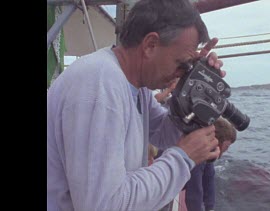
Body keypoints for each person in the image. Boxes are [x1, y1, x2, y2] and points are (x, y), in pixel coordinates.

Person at [47, 0, 226, 210]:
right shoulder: (99, 84)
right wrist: (183, 159)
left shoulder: (134, 85)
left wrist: (191, 89)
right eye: (181, 64)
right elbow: (103, 205)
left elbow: (163, 133)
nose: (181, 72)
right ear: (150, 45)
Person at [185, 117, 237, 211]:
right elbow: (194, 194)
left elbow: (209, 177)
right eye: (227, 146)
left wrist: (210, 208)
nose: (227, 150)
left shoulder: (208, 153)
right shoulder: (198, 153)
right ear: (219, 142)